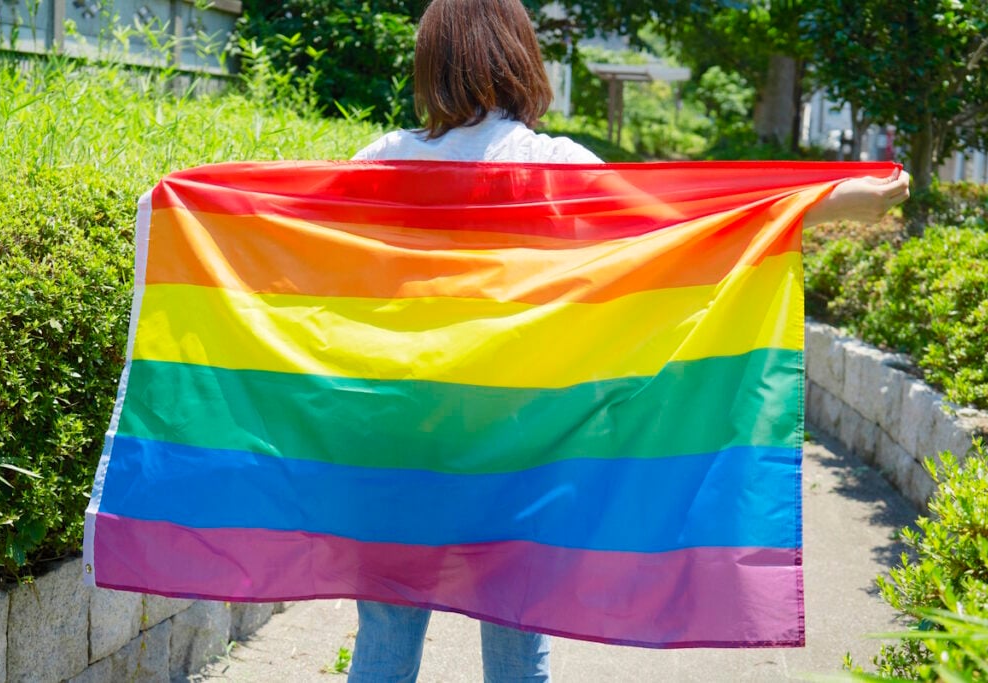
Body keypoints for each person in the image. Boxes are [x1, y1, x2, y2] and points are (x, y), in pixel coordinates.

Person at [348, 1, 910, 680]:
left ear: (431, 62)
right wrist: (839, 199)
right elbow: (686, 223)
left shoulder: (383, 161)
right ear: (520, 56)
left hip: (399, 441)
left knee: (385, 634)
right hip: (522, 445)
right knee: (517, 641)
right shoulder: (554, 167)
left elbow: (314, 253)